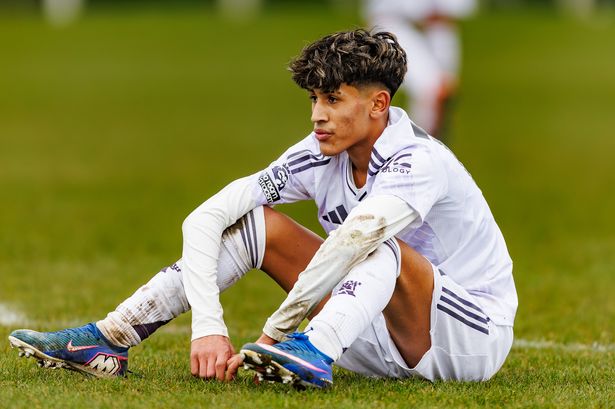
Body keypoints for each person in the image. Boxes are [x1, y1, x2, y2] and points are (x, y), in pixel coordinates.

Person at [8, 29, 517, 389]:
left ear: (378, 105)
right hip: (371, 331)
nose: (317, 115)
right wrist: (209, 328)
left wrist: (274, 333)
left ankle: (310, 353)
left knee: (374, 242)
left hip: (467, 340)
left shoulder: (419, 159)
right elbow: (204, 218)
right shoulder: (320, 152)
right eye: (314, 99)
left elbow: (354, 241)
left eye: (333, 99)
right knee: (256, 226)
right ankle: (109, 337)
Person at [363, 0, 477, 139]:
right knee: (432, 89)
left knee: (442, 92)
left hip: (437, 26)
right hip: (394, 23)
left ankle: (425, 143)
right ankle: (415, 144)